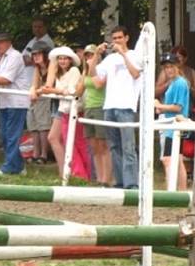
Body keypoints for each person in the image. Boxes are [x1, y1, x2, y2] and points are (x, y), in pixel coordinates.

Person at [93, 27, 142, 189]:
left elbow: (136, 74)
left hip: (126, 106)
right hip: (110, 106)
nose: (117, 41)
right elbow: (95, 77)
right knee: (114, 146)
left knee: (128, 146)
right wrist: (96, 55)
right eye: (114, 38)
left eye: (120, 37)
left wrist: (123, 54)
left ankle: (132, 182)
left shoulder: (135, 55)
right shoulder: (110, 59)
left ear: (127, 38)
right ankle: (120, 181)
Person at [0, 31, 31, 175]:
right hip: (4, 100)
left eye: (0, 42)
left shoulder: (15, 56)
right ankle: (17, 166)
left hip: (17, 101)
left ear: (8, 42)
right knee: (4, 135)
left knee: (12, 135)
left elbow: (6, 79)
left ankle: (10, 166)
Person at [43, 46, 90, 181]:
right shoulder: (60, 74)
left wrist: (54, 90)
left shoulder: (74, 71)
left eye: (65, 59)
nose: (62, 61)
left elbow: (70, 91)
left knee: (76, 142)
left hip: (74, 110)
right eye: (60, 59)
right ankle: (68, 171)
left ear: (70, 61)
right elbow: (52, 88)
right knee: (63, 139)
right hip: (64, 109)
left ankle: (78, 173)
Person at [76, 44, 112, 185]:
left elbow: (98, 84)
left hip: (100, 107)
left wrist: (93, 65)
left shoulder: (102, 70)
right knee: (94, 145)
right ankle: (99, 177)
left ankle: (106, 178)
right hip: (89, 108)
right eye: (87, 55)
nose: (89, 58)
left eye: (92, 55)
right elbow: (78, 91)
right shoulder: (85, 71)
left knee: (103, 144)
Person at [154, 53, 191, 191]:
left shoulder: (180, 83)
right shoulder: (173, 83)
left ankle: (172, 189)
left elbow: (178, 107)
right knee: (177, 159)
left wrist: (159, 105)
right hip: (171, 124)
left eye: (171, 66)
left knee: (168, 159)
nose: (168, 70)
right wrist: (161, 108)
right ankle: (181, 190)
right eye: (166, 67)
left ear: (177, 66)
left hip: (174, 126)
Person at [26, 42, 53, 164]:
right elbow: (34, 84)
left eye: (38, 53)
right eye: (33, 54)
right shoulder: (37, 67)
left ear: (45, 54)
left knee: (43, 126)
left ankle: (44, 155)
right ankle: (35, 153)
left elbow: (48, 85)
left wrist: (35, 91)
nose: (35, 56)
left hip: (50, 98)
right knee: (33, 124)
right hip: (39, 97)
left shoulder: (52, 64)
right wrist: (33, 91)